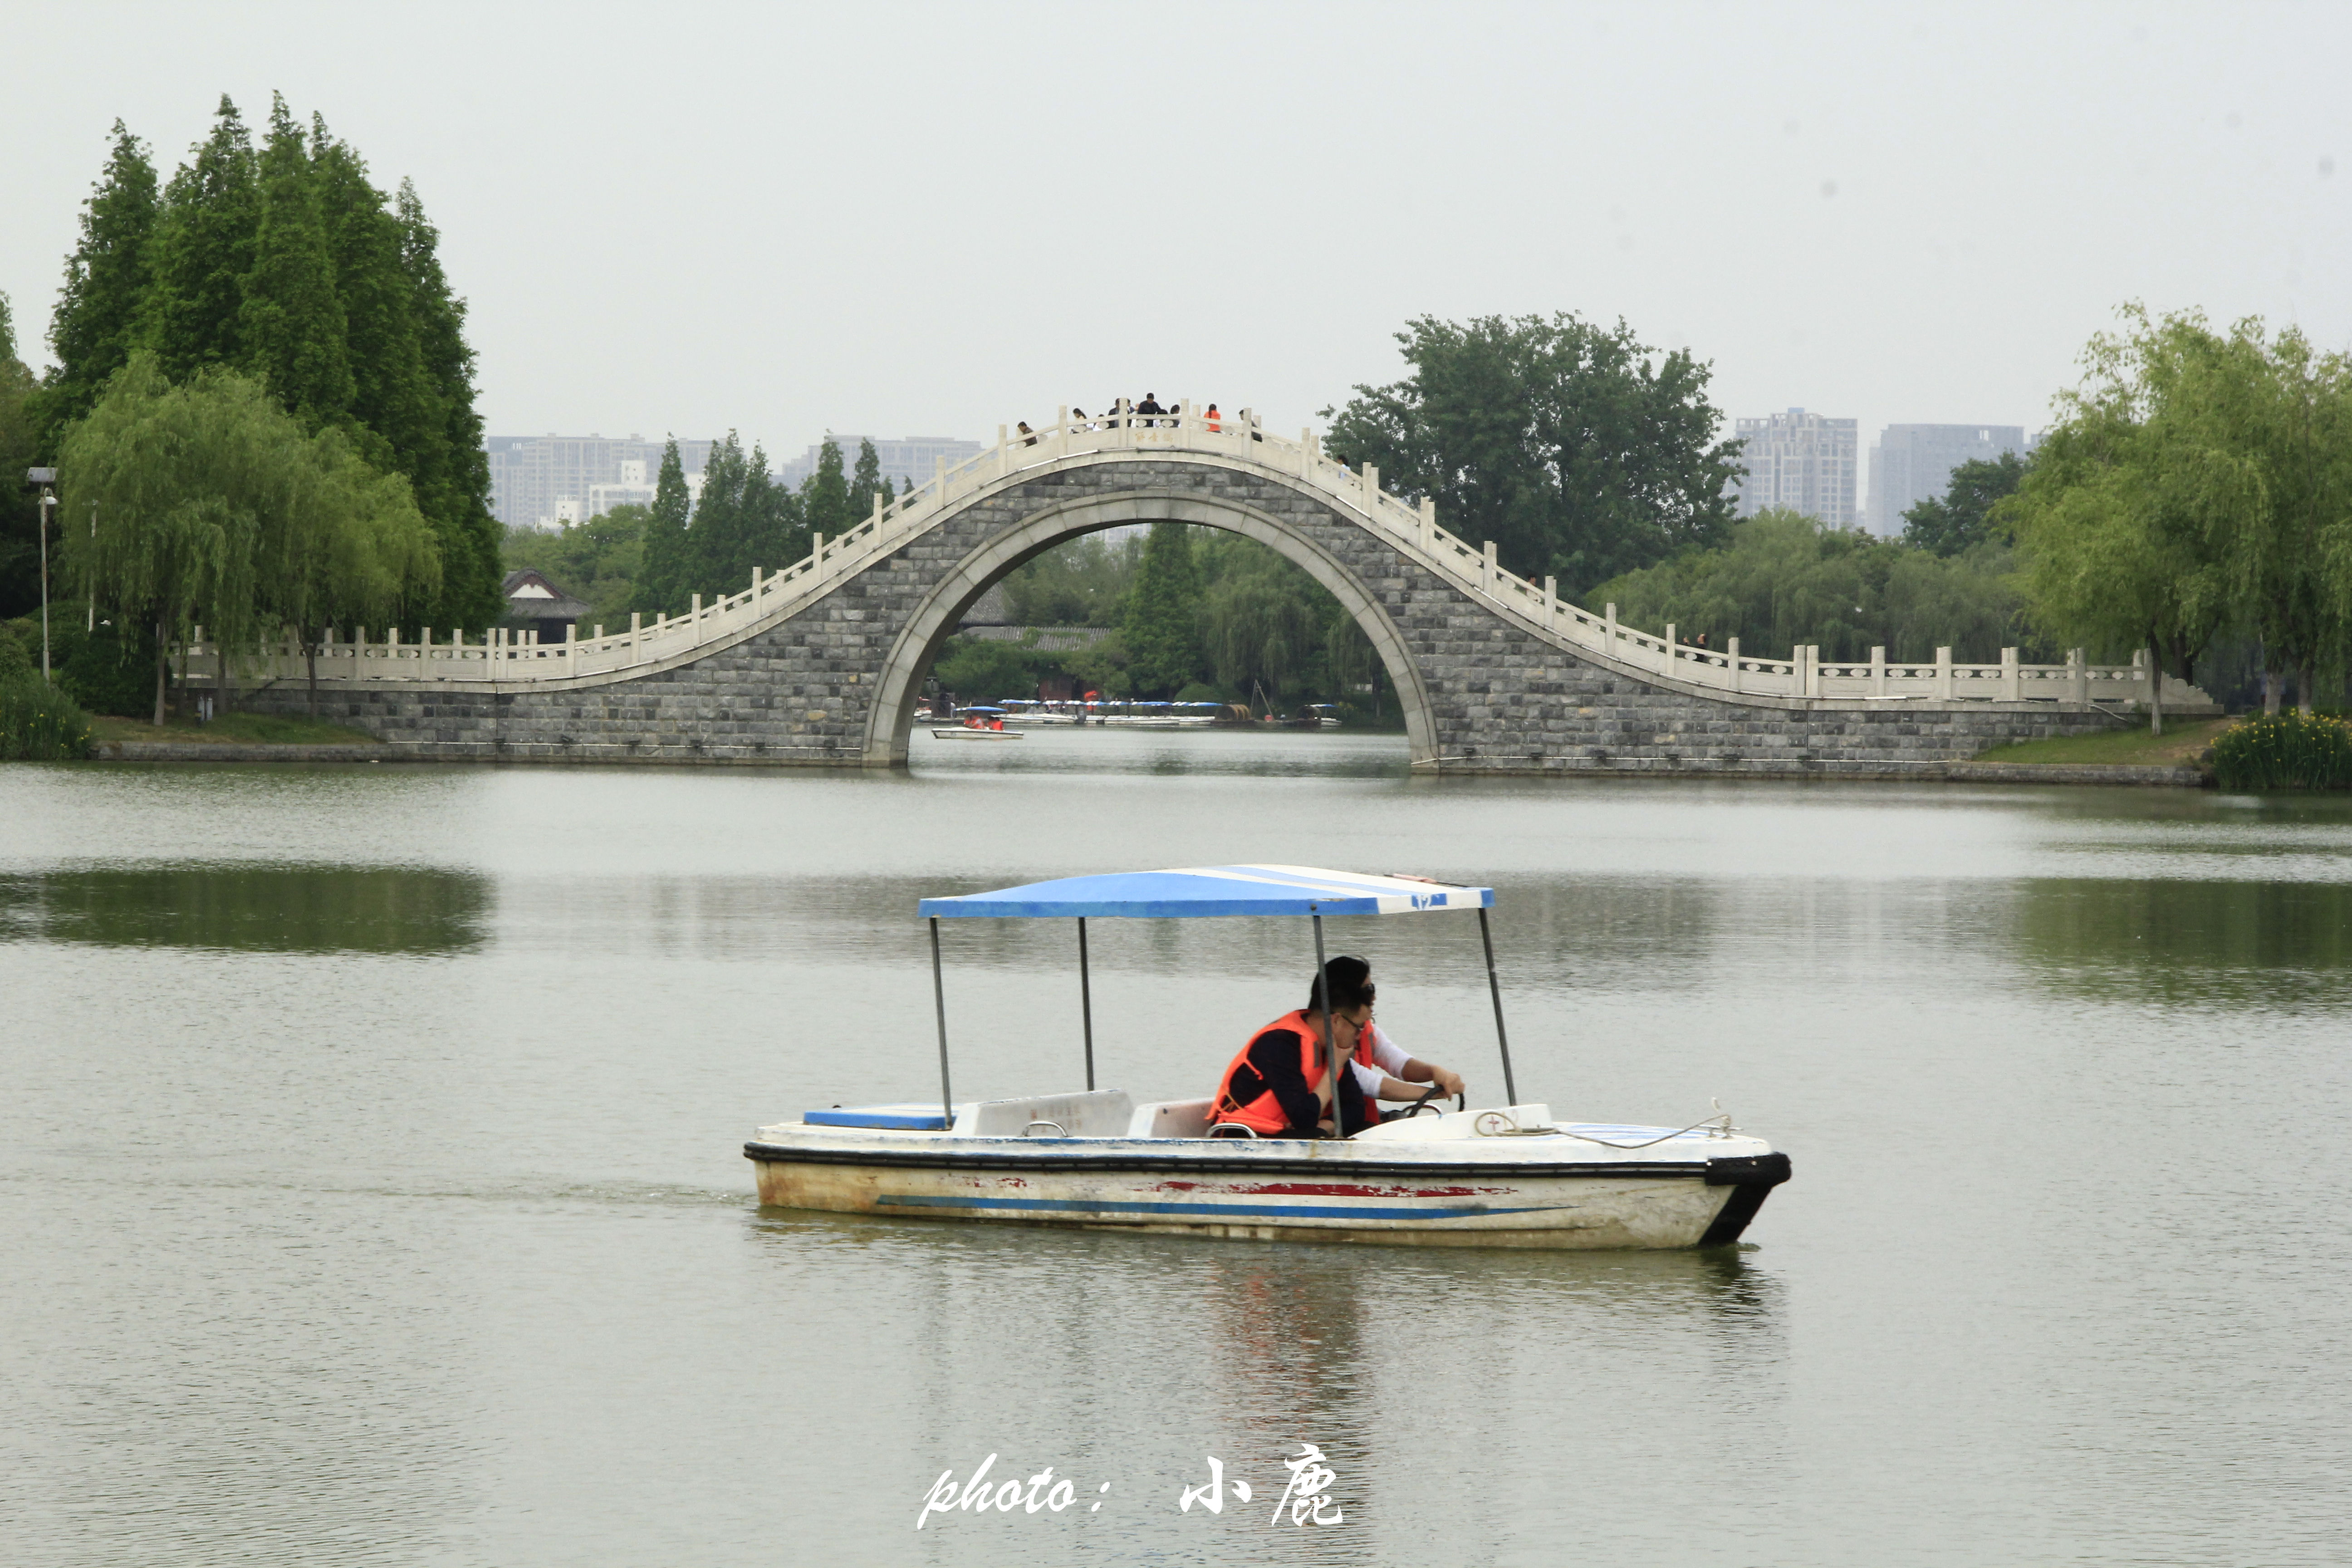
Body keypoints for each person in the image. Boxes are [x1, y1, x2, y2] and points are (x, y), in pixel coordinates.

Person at [1206, 957, 1465, 1138]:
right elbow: (1304, 1118)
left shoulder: (1334, 1046)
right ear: (1338, 1020)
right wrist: (1335, 1071)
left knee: (1364, 1124)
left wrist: (1326, 1128)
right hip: (1244, 1139)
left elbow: (1354, 1108)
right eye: (1358, 1027)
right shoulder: (1280, 1045)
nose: (1361, 1033)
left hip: (1295, 1136)